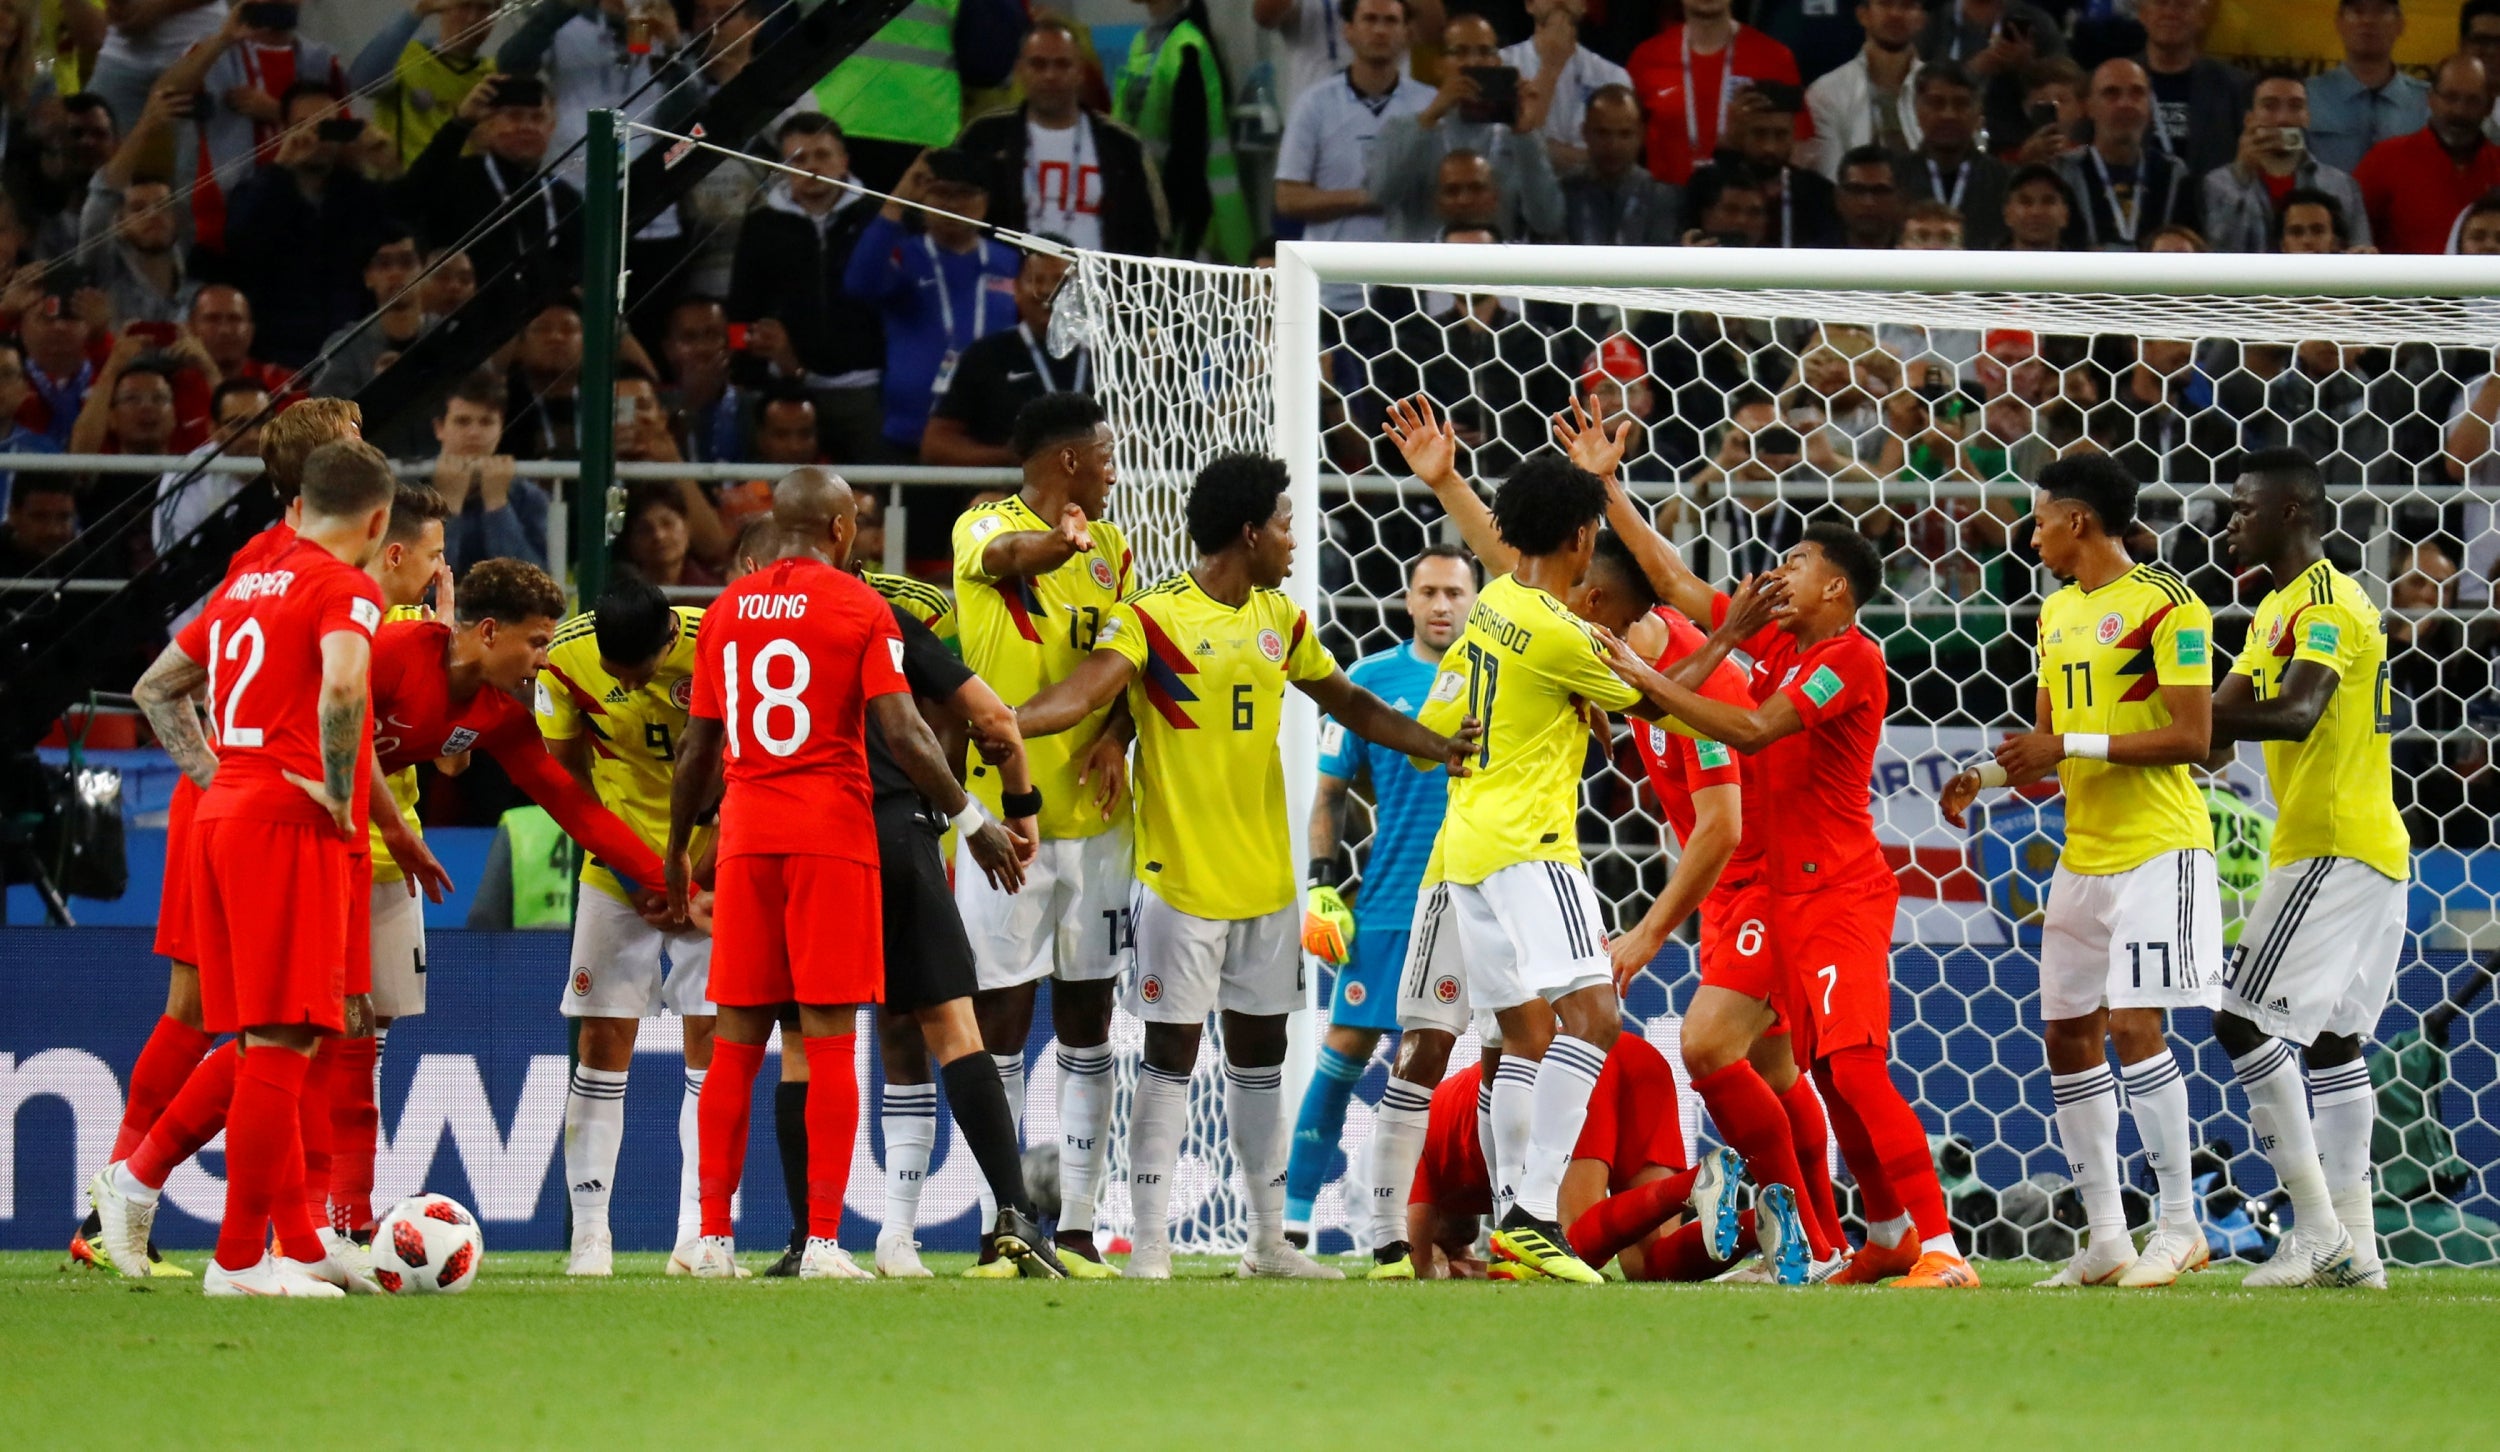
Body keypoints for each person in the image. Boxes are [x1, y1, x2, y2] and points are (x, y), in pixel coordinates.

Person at [1011, 451, 1476, 1279]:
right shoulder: (1154, 616)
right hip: (1179, 882)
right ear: (1251, 531)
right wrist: (1005, 721)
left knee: (1260, 1062)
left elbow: (1352, 703)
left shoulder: (1281, 620)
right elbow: (1087, 691)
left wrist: (1434, 746)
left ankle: (1269, 1246)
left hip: (1266, 881)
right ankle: (1148, 1246)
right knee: (1169, 1060)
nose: (1298, 540)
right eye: (1288, 524)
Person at [1595, 505, 1977, 1290]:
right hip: (1785, 897)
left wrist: (1650, 683)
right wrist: (1607, 489)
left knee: (1857, 1071)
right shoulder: (1777, 641)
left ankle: (1940, 1248)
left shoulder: (1851, 659)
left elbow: (1757, 730)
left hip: (1838, 892)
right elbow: (1670, 579)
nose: (1780, 569)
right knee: (1827, 1078)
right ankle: (1879, 1240)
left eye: (1796, 560)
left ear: (1835, 587)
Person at [666, 468, 1031, 1281]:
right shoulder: (863, 607)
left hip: (746, 835)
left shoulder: (724, 611)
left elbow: (698, 747)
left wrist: (676, 847)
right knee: (830, 1040)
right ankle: (827, 1241)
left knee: (738, 1042)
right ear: (839, 529)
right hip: (832, 834)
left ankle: (712, 1237)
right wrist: (973, 820)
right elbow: (902, 731)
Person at [98, 438, 399, 1298]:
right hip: (286, 821)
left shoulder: (246, 584)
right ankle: (236, 1261)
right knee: (284, 1035)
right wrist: (341, 793)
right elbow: (344, 687)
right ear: (378, 520)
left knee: (282, 1030)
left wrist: (215, 774)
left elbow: (157, 687)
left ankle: (296, 1247)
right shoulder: (345, 588)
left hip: (226, 813)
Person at [1938, 453, 2220, 1289]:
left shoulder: (2171, 604)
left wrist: (2064, 744)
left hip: (2160, 849)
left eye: (2037, 520)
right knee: (2068, 1035)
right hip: (2083, 853)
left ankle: (2180, 1225)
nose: (2030, 535)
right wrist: (1986, 779)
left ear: (2078, 521)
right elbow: (2047, 746)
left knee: (2136, 1028)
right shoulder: (2056, 612)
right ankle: (2106, 1237)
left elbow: (2192, 738)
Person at [834, 507, 1070, 1282]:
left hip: (816, 838)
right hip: (909, 829)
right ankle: (993, 1218)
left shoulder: (750, 618)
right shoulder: (894, 619)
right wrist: (1011, 810)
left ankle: (823, 1238)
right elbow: (986, 721)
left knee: (818, 1033)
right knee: (944, 1025)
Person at [2206, 447, 2407, 1290]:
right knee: (2332, 1040)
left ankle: (2317, 1231)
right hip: (2366, 847)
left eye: (2245, 509)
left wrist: (2203, 722)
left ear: (2293, 512)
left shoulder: (2328, 603)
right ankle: (2357, 1248)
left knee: (2241, 1023)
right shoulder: (2276, 607)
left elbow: (2294, 711)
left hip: (2331, 843)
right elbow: (2215, 732)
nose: (2231, 524)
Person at [948, 392, 1136, 1274]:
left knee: (1090, 1019)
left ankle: (1079, 1226)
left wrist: (1114, 735)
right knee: (1002, 1018)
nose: (1111, 468)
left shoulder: (1113, 552)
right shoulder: (982, 524)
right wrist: (1054, 545)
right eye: (1102, 454)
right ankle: (1007, 1216)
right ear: (1067, 461)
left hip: (1099, 828)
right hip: (999, 822)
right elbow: (1006, 558)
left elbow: (1125, 665)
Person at [1282, 544, 1476, 1249]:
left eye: (1455, 592)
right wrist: (1323, 884)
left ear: (1476, 602)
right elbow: (1328, 793)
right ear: (1407, 600)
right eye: (1428, 591)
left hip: (1483, 901)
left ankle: (1462, 1229)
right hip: (1393, 903)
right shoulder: (1370, 679)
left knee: (1477, 1068)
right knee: (1345, 1050)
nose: (1442, 605)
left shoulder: (1499, 680)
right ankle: (1295, 1222)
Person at [537, 575, 717, 1276]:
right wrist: (639, 867)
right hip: (620, 868)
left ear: (669, 639)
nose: (627, 684)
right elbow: (565, 776)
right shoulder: (564, 657)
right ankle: (590, 1236)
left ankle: (698, 1235)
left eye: (638, 675)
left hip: (712, 858)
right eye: (616, 675)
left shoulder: (719, 645)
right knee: (602, 1036)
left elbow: (746, 765)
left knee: (711, 1037)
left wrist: (698, 866)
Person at [1405, 1039, 1749, 1284]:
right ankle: (1760, 1224)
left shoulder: (1411, 1145)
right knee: (1650, 1266)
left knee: (1561, 1252)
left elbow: (1419, 1263)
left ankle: (1695, 1184)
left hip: (1573, 1072)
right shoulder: (1458, 1156)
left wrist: (1446, 1264)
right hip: (1631, 1057)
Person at [724, 114, 887, 465]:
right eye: (798, 158)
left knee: (870, 498)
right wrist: (743, 371)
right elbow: (739, 310)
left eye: (822, 155)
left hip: (862, 388)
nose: (811, 167)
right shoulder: (761, 226)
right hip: (784, 392)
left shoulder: (876, 219)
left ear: (844, 161)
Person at [841, 147, 1021, 458]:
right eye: (941, 193)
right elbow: (859, 284)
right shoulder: (903, 254)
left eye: (964, 194)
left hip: (990, 435)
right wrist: (898, 198)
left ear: (985, 201)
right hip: (909, 432)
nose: (952, 204)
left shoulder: (1010, 262)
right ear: (922, 198)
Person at [953, 18, 1168, 257]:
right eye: (1038, 64)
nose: (1050, 75)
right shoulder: (984, 136)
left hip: (1098, 287)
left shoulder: (1122, 145)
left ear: (1080, 72)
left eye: (1062, 64)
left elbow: (1152, 234)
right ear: (1019, 70)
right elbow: (947, 216)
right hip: (1008, 288)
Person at [1271, 0, 1433, 304]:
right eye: (1370, 19)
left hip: (1414, 291)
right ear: (1349, 31)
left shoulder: (1429, 106)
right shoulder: (1314, 105)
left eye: (1390, 21)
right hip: (1332, 292)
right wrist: (1368, 197)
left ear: (1407, 32)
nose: (1380, 30)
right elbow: (1287, 198)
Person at [395, 73, 583, 314]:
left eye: (537, 118)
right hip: (463, 321)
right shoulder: (455, 179)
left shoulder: (565, 198)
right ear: (488, 123)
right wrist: (460, 124)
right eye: (513, 116)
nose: (526, 127)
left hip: (538, 328)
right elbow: (405, 200)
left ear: (551, 127)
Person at [1370, 12, 1562, 244]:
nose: (1473, 62)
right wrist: (1430, 116)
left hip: (1493, 273)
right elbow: (1381, 197)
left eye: (1484, 52)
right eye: (1460, 52)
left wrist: (1525, 136)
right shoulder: (1402, 128)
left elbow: (1548, 220)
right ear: (1439, 66)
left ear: (1497, 62)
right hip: (1421, 272)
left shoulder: (1518, 136)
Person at [922, 244, 1088, 468]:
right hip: (1010, 489)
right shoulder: (984, 355)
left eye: (1061, 281)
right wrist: (1010, 457)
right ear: (1016, 290)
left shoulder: (1111, 356)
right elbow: (935, 445)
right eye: (1037, 280)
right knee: (989, 500)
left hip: (1101, 491)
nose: (1049, 290)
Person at [1112, 0, 1250, 263]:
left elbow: (1190, 157)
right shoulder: (1143, 42)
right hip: (1146, 211)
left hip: (1188, 229)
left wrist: (1174, 233)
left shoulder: (1187, 47)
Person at [1626, 0, 1805, 187]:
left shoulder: (1775, 59)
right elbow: (1629, 143)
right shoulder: (1645, 58)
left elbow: (1798, 146)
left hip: (1744, 207)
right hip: (1666, 206)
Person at [2205, 71, 2373, 255]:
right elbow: (2213, 255)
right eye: (2270, 106)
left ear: (2307, 117)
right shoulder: (2215, 185)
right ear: (2249, 119)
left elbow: (2361, 260)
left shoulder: (2341, 186)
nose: (2283, 118)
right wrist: (2240, 177)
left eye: (2295, 106)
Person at [2355, 53, 2500, 255]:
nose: (2459, 110)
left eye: (2473, 100)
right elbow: (2353, 239)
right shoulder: (2384, 160)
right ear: (2431, 99)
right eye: (2450, 97)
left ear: (2490, 106)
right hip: (2404, 285)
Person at [2057, 59, 2202, 252]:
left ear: (2150, 108)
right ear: (2088, 107)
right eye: (2111, 93)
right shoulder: (2063, 172)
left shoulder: (2174, 175)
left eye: (2137, 93)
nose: (2125, 104)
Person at [351, 0, 499, 168]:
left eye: (484, 9)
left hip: (465, 188)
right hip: (406, 186)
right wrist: (417, 13)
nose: (472, 18)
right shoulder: (405, 57)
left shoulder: (493, 73)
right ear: (443, 8)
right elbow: (364, 83)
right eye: (464, 6)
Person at [1501, 0, 1633, 177]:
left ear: (1585, 5)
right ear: (1529, 4)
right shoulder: (1502, 66)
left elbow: (1617, 157)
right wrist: (1550, 67)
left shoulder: (1613, 76)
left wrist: (1545, 152)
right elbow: (1504, 153)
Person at [430, 369, 545, 573]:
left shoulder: (528, 497)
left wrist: (497, 506)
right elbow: (423, 586)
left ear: (501, 428)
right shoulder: (410, 491)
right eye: (462, 421)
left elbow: (530, 584)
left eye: (486, 422)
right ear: (439, 428)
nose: (474, 433)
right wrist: (449, 507)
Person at [2132, 0, 2255, 179]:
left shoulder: (2238, 87)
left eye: (2183, 5)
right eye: (2160, 3)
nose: (2170, 12)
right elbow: (2085, 150)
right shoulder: (2109, 84)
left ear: (2202, 16)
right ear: (2142, 14)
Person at [1805, 0, 1927, 179]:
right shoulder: (1826, 92)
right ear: (1863, 15)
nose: (1896, 13)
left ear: (1921, 20)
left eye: (1907, 5)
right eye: (1885, 4)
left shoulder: (1941, 90)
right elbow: (1830, 179)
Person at [1894, 61, 2006, 249]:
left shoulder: (2005, 182)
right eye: (1936, 103)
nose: (1948, 114)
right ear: (1916, 109)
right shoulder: (1893, 179)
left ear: (1979, 111)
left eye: (1961, 104)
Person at [2306, 0, 2427, 175]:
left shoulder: (2429, 102)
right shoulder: (2307, 97)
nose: (2368, 20)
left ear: (2400, 24)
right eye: (2357, 11)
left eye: (2381, 11)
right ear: (2339, 22)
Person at [1560, 85, 1682, 248]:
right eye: (1603, 133)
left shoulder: (1662, 198)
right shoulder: (1564, 192)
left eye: (1625, 134)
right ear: (1585, 132)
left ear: (1641, 135)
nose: (1613, 145)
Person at [1835, 145, 1904, 248]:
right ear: (1839, 198)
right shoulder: (1812, 258)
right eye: (1857, 190)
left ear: (1900, 198)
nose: (1868, 202)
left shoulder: (1920, 259)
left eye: (1880, 191)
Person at [2001, 161, 2076, 250]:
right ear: (2007, 214)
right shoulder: (1984, 263)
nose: (2036, 212)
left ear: (2065, 214)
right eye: (2025, 202)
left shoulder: (2085, 264)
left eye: (2048, 202)